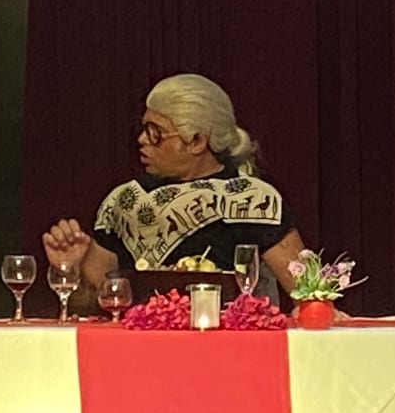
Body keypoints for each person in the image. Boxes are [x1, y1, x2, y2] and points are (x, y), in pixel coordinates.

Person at [43, 73, 306, 307]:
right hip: (141, 344)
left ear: (197, 141)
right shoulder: (125, 200)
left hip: (228, 343)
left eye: (155, 133)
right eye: (144, 129)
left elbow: (309, 294)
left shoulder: (252, 199)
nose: (142, 140)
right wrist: (71, 269)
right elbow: (93, 304)